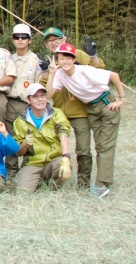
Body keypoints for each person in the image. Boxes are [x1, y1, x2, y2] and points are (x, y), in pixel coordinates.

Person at [46, 43, 126, 198]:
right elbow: (49, 94)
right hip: (91, 108)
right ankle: (99, 182)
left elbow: (114, 76)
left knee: (105, 146)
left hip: (106, 104)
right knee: (98, 145)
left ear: (74, 58)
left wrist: (121, 99)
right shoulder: (60, 74)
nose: (65, 61)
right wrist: (51, 74)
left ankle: (102, 185)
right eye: (62, 58)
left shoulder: (85, 71)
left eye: (68, 58)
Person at [40, 26, 104, 189]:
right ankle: (54, 178)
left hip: (80, 110)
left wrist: (93, 56)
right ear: (46, 45)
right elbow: (44, 90)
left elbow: (99, 72)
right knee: (53, 146)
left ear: (64, 40)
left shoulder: (77, 54)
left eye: (56, 39)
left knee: (83, 149)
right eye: (49, 41)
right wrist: (46, 73)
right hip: (59, 111)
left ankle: (83, 182)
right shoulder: (47, 61)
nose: (53, 43)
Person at [12, 84, 72, 193]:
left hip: (54, 159)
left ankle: (53, 188)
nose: (40, 99)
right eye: (35, 97)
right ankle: (38, 180)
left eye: (43, 96)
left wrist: (66, 156)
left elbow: (63, 134)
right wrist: (25, 143)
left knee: (61, 164)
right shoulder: (20, 122)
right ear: (28, 100)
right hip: (33, 163)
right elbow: (19, 153)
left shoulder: (56, 113)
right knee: (22, 192)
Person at [5, 23, 45, 177]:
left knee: (29, 137)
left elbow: (40, 84)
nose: (20, 40)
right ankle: (11, 169)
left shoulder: (36, 61)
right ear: (13, 40)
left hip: (27, 104)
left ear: (30, 40)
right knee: (10, 137)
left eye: (24, 37)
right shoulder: (8, 58)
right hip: (9, 102)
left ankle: (29, 169)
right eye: (17, 37)